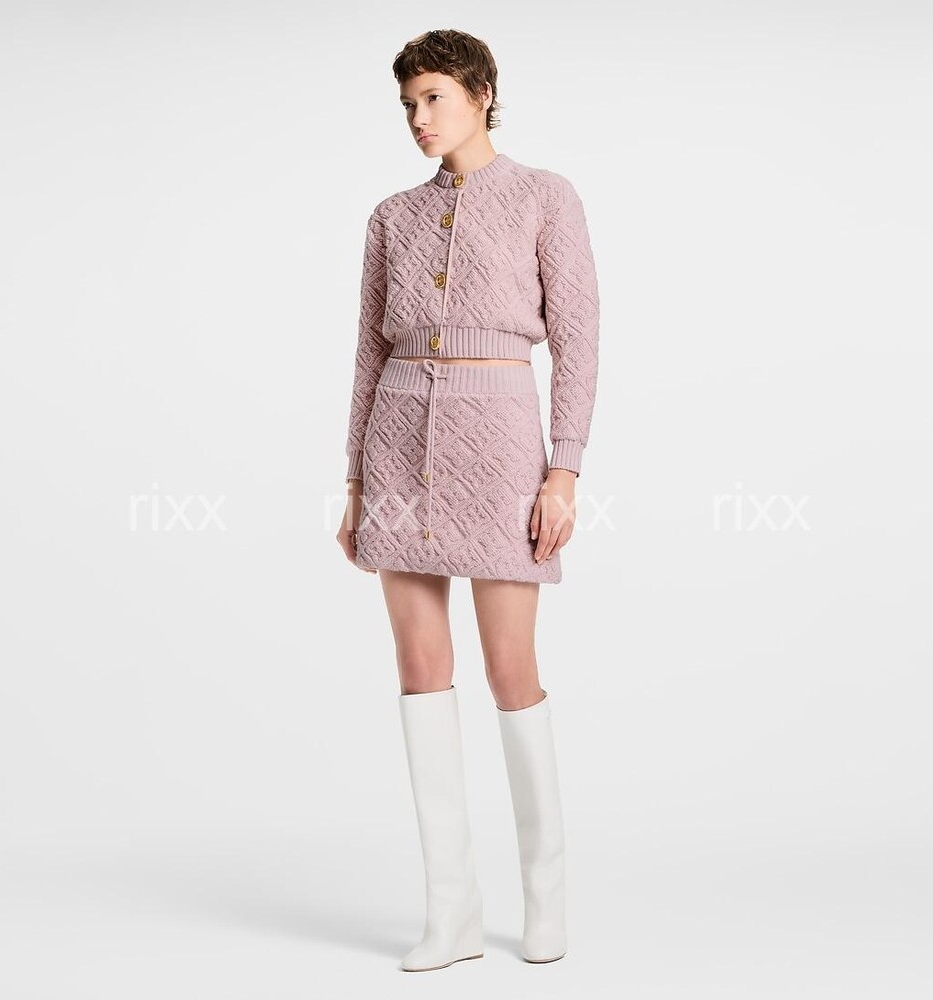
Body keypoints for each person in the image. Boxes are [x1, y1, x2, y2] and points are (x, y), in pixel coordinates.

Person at [336, 28, 600, 972]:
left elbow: (579, 338)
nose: (419, 117)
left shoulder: (544, 197)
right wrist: (357, 482)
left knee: (509, 668)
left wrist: (564, 469)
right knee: (420, 668)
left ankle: (545, 899)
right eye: (408, 104)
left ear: (483, 92)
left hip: (502, 448)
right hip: (397, 448)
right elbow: (368, 352)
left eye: (434, 97)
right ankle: (450, 913)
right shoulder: (390, 217)